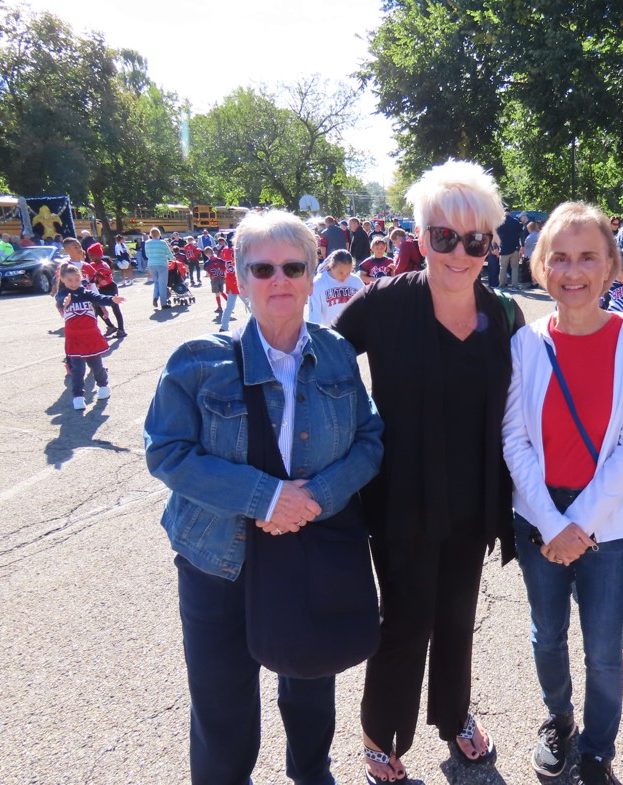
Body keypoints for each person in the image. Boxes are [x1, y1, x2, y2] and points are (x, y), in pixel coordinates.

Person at [143, 209, 384, 785]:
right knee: (222, 702)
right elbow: (167, 451)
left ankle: (312, 774)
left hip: (308, 549)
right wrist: (265, 497)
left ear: (310, 276)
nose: (279, 279)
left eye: (293, 267)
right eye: (263, 268)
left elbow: (370, 440)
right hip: (217, 559)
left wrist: (315, 497)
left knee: (309, 683)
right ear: (240, 276)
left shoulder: (336, 353)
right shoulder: (197, 361)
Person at [332, 160, 523, 785]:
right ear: (420, 236)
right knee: (406, 623)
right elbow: (321, 368)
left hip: (475, 498)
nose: (459, 253)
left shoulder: (501, 313)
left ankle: (454, 715)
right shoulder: (384, 303)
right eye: (444, 237)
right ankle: (377, 735)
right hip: (402, 498)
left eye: (476, 241)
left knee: (457, 617)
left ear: (490, 244)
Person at [502, 202, 623, 785]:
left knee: (602, 647)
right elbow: (514, 438)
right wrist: (552, 524)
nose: (573, 271)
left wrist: (581, 525)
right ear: (541, 266)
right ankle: (559, 719)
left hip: (610, 522)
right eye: (560, 258)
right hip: (538, 514)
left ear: (612, 266)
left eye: (588, 257)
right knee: (547, 634)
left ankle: (598, 747)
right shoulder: (525, 343)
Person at [57, 262, 126, 410]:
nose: (74, 283)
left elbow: (98, 297)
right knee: (77, 370)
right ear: (62, 279)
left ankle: (104, 386)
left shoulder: (86, 293)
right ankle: (78, 396)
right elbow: (60, 301)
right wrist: (65, 302)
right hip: (74, 338)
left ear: (81, 278)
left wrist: (111, 300)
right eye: (70, 280)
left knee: (96, 365)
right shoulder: (62, 295)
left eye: (77, 279)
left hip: (91, 336)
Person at [308, 249, 363, 327]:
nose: (344, 277)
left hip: (352, 331)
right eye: (341, 272)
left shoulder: (356, 281)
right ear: (331, 266)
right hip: (328, 332)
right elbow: (314, 317)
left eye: (348, 272)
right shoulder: (319, 283)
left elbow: (366, 307)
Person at [84, 243, 126, 338]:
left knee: (115, 308)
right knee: (98, 307)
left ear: (98, 255)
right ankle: (111, 326)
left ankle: (121, 329)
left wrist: (96, 274)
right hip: (100, 289)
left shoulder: (103, 265)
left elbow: (105, 275)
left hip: (110, 287)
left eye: (92, 255)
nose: (90, 257)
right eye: (89, 255)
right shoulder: (92, 265)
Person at [144, 228, 174, 309]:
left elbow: (147, 254)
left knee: (156, 282)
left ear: (150, 235)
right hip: (162, 264)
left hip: (151, 264)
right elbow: (168, 253)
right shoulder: (162, 243)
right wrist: (173, 259)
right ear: (159, 234)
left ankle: (155, 297)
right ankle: (163, 303)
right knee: (162, 284)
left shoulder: (147, 243)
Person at [496, 208, 525, 288]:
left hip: (504, 248)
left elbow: (497, 235)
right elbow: (521, 234)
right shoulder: (516, 222)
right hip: (515, 248)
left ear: (503, 213)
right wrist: (522, 245)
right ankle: (514, 285)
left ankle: (501, 285)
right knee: (515, 268)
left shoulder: (500, 222)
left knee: (503, 267)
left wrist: (496, 247)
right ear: (510, 213)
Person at [202, 246, 227, 319]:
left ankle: (219, 307)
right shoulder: (219, 260)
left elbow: (207, 271)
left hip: (214, 278)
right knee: (221, 291)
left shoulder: (208, 262)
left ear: (206, 254)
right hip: (221, 277)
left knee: (217, 293)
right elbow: (225, 266)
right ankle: (229, 302)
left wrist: (208, 275)